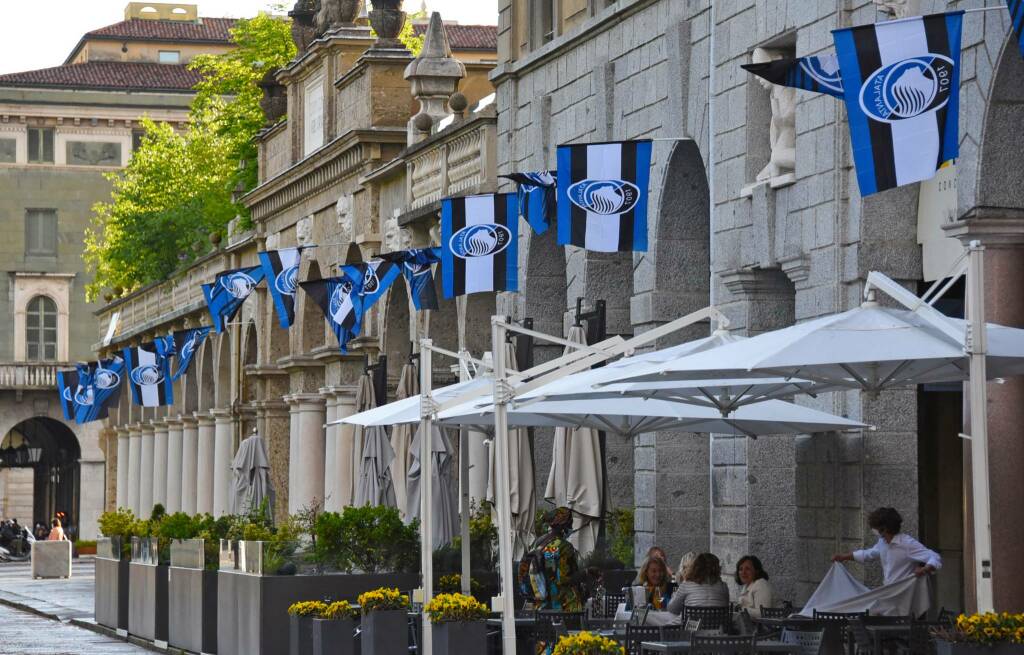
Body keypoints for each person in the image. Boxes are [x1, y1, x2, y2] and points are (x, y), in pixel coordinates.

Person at [832, 506, 941, 584]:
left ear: (884, 529)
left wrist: (925, 569)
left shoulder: (907, 544)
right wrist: (844, 557)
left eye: (875, 528)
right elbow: (869, 554)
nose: (873, 530)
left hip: (904, 593)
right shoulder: (882, 542)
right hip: (889, 591)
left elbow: (934, 556)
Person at [518, 507, 584, 612]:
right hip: (564, 607)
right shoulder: (564, 546)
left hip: (542, 607)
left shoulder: (537, 543)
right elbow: (563, 578)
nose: (572, 526)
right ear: (564, 525)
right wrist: (586, 573)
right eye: (570, 522)